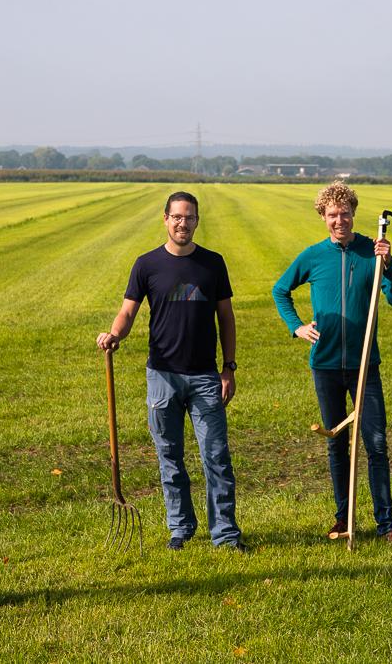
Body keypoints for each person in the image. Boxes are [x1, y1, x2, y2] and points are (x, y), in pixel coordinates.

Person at [96, 191, 245, 552]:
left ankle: (224, 534)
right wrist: (115, 334)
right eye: (177, 217)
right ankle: (180, 528)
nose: (183, 223)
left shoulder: (213, 263)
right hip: (161, 375)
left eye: (189, 217)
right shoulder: (146, 264)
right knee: (169, 457)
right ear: (165, 219)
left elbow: (226, 318)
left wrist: (228, 368)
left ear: (197, 220)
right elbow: (127, 312)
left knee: (216, 457)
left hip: (205, 377)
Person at [272, 181, 392, 544]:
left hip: (366, 366)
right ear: (323, 216)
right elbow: (280, 290)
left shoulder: (371, 251)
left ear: (353, 213)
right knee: (337, 443)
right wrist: (296, 326)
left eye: (344, 213)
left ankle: (386, 524)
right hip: (326, 365)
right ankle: (343, 518)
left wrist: (390, 265)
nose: (339, 220)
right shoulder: (313, 256)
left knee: (376, 442)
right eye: (332, 215)